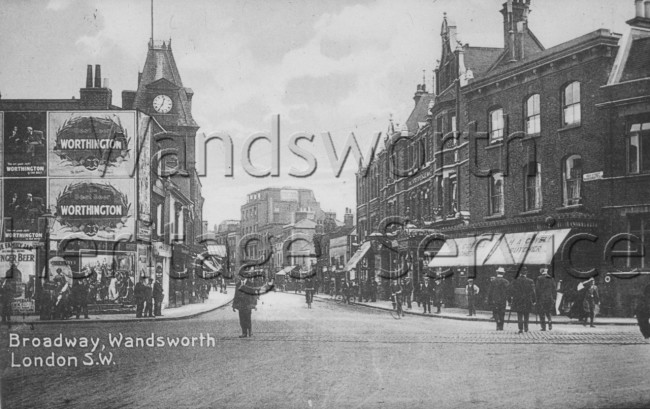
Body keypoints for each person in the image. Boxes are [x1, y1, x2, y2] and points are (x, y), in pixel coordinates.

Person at [508, 268, 536, 333]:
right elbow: (533, 292)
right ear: (526, 273)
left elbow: (510, 290)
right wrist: (534, 300)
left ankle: (520, 328)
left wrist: (510, 299)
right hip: (527, 300)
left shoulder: (515, 280)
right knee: (526, 314)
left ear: (520, 273)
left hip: (518, 300)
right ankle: (526, 328)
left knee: (519, 314)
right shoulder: (530, 281)